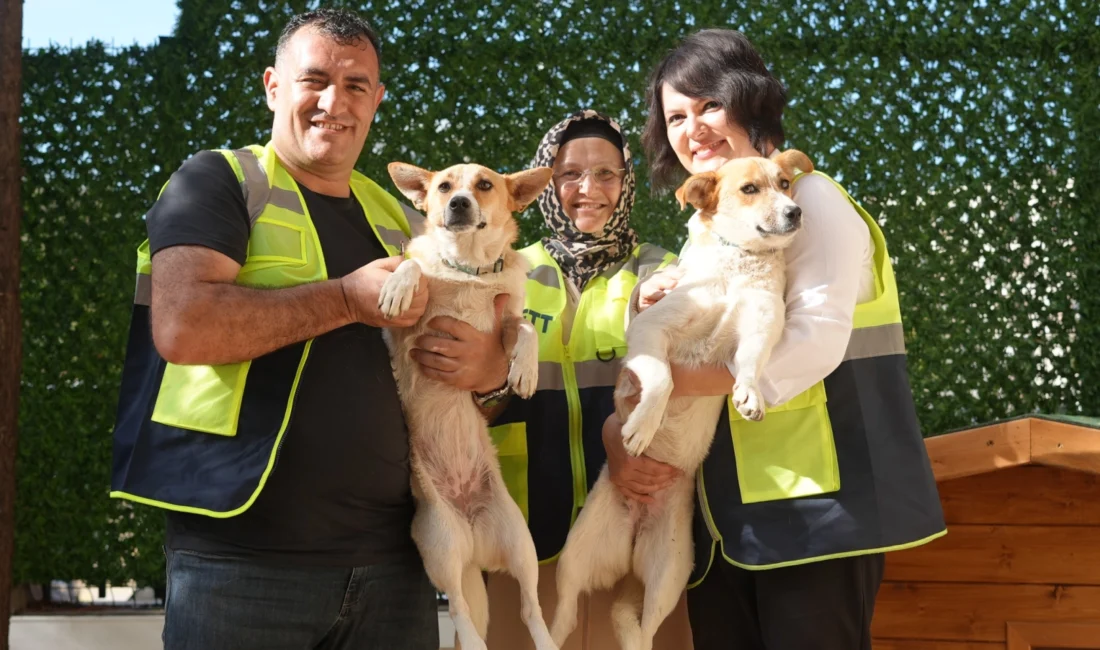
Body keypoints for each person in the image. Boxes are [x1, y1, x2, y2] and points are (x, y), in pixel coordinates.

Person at [109, 9, 508, 649]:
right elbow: (183, 328)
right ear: (273, 86)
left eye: (356, 86)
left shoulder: (398, 216)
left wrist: (489, 371)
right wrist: (348, 299)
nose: (334, 102)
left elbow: (454, 367)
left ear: (376, 101)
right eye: (313, 79)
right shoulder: (219, 180)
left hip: (393, 565)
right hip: (240, 563)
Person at [616, 29, 948, 650]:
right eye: (676, 117)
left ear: (750, 99)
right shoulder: (705, 228)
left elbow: (816, 340)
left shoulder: (812, 198)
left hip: (819, 508)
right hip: (724, 514)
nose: (695, 129)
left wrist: (669, 381)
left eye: (709, 104)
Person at [481, 110, 692, 650]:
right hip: (525, 542)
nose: (587, 189)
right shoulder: (506, 270)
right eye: (569, 174)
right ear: (543, 183)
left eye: (607, 174)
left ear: (626, 184)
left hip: (642, 538)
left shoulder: (663, 271)